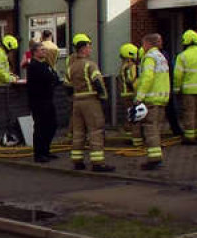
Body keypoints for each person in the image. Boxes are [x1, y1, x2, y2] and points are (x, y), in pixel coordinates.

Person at [67, 33, 114, 172]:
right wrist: (104, 98)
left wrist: (74, 98)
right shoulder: (90, 65)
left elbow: (66, 86)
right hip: (91, 101)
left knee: (78, 132)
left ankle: (77, 161)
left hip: (77, 102)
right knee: (95, 131)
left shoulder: (71, 67)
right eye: (89, 47)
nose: (90, 50)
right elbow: (98, 82)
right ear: (84, 48)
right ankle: (98, 163)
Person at [136, 33, 171, 170]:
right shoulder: (162, 57)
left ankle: (154, 159)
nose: (142, 46)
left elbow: (147, 78)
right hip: (162, 98)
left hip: (151, 98)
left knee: (150, 130)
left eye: (143, 44)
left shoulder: (150, 57)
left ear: (148, 43)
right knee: (157, 129)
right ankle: (157, 157)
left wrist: (139, 97)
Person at [173, 30, 197, 144]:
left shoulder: (182, 56)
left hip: (188, 90)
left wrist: (176, 88)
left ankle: (190, 137)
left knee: (189, 113)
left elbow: (178, 74)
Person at [26, 41, 60, 163]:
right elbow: (47, 78)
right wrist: (51, 79)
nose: (45, 52)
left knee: (52, 125)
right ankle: (39, 154)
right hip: (38, 101)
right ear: (35, 52)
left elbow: (55, 78)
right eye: (42, 50)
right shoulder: (33, 66)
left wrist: (53, 79)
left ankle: (46, 150)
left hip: (48, 99)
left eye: (45, 50)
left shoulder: (46, 64)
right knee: (40, 127)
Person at [119, 43, 142, 147]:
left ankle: (129, 138)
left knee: (129, 117)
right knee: (135, 118)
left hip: (125, 95)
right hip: (130, 95)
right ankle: (136, 140)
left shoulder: (123, 66)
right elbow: (131, 81)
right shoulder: (130, 67)